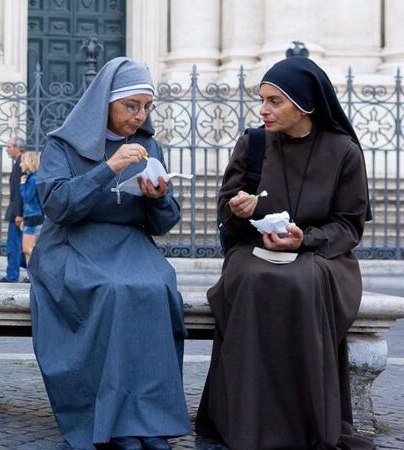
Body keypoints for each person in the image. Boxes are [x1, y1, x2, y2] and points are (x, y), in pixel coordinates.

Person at [195, 56, 375, 450]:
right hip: (254, 248)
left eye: (274, 101)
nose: (263, 110)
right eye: (262, 100)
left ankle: (303, 422)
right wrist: (237, 210)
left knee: (301, 281)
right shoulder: (254, 144)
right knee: (252, 278)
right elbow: (227, 207)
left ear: (305, 104)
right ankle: (248, 421)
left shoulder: (344, 152)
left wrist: (304, 240)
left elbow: (348, 227)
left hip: (321, 254)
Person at [29, 57, 190, 450]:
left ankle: (149, 422)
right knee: (113, 291)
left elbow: (163, 224)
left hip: (130, 246)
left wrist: (158, 197)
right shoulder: (63, 145)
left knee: (156, 289)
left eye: (146, 107)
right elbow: (57, 206)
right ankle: (112, 423)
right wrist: (108, 168)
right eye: (131, 106)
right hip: (72, 245)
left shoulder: (149, 146)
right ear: (105, 103)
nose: (140, 116)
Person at [0, 136, 23, 282]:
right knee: (18, 246)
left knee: (14, 245)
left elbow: (20, 191)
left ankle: (12, 276)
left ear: (17, 147)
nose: (7, 150)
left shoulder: (21, 164)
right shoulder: (18, 163)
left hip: (17, 213)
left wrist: (19, 214)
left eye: (9, 147)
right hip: (16, 211)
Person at [18, 150, 42, 267]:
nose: (20, 164)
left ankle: (44, 265)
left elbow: (27, 197)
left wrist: (22, 185)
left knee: (27, 249)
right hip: (30, 216)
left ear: (28, 162)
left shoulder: (32, 179)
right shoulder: (31, 178)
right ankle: (30, 274)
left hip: (34, 217)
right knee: (27, 250)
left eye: (22, 161)